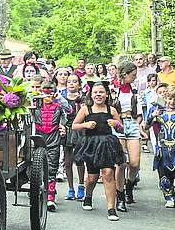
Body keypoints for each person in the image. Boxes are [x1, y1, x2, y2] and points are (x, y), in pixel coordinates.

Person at [72, 81, 125, 221]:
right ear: (91, 94)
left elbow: (121, 128)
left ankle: (111, 209)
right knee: (92, 177)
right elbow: (74, 125)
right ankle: (88, 195)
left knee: (108, 173)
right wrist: (86, 125)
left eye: (101, 92)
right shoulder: (85, 109)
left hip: (107, 144)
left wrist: (116, 124)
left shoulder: (111, 110)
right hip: (92, 145)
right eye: (95, 92)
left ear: (107, 95)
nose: (98, 95)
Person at [33, 80, 71, 211]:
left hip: (53, 140)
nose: (47, 97)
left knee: (52, 169)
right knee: (36, 169)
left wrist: (59, 97)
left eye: (50, 93)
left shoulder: (59, 106)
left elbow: (69, 110)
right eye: (45, 93)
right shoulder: (35, 106)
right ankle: (37, 192)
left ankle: (50, 198)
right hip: (37, 140)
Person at [111, 61, 142, 211]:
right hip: (118, 124)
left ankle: (129, 186)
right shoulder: (112, 88)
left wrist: (138, 122)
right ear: (125, 74)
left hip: (132, 123)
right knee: (121, 163)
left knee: (135, 163)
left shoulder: (134, 89)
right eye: (133, 75)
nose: (135, 78)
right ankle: (120, 196)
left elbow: (139, 109)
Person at [63, 73, 86, 201]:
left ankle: (81, 186)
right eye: (69, 82)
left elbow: (82, 115)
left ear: (79, 84)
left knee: (80, 160)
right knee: (67, 161)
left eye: (74, 81)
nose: (72, 84)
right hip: (66, 129)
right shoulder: (62, 98)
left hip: (79, 130)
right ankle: (70, 188)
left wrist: (78, 104)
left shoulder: (83, 99)